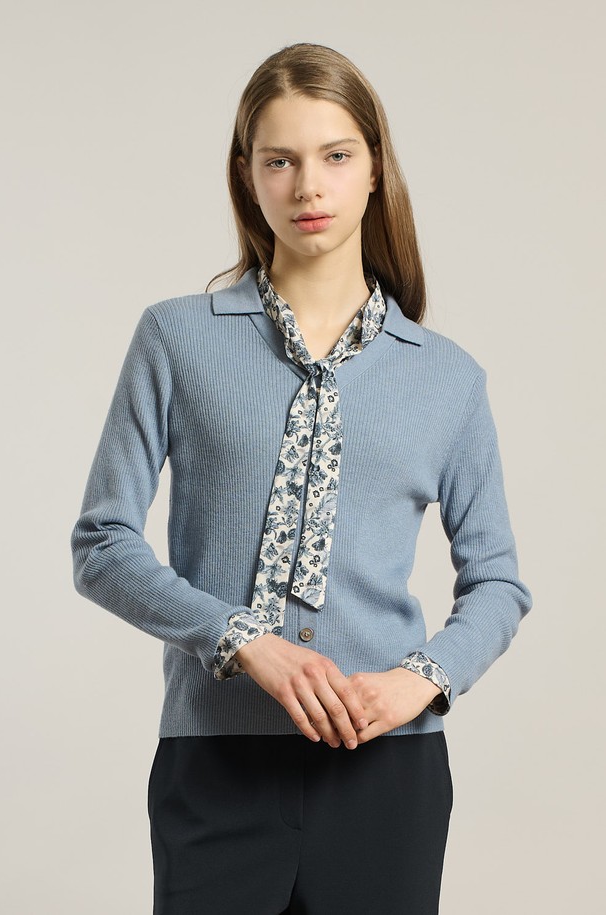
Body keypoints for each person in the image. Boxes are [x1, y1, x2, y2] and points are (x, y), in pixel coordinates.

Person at [70, 42, 532, 915]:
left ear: (375, 169)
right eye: (279, 160)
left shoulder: (446, 376)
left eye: (335, 156)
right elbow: (101, 543)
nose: (308, 186)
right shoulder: (176, 338)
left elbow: (499, 582)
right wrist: (240, 636)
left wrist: (418, 679)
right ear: (247, 176)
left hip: (387, 769)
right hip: (215, 760)